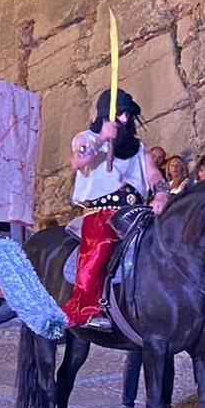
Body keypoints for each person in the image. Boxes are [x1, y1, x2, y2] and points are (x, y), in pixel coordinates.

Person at [64, 91, 157, 329]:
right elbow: (78, 162)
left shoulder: (138, 147)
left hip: (137, 211)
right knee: (99, 247)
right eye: (119, 114)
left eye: (127, 114)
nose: (124, 120)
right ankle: (88, 308)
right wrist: (101, 139)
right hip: (102, 212)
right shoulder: (85, 137)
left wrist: (162, 192)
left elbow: (153, 173)